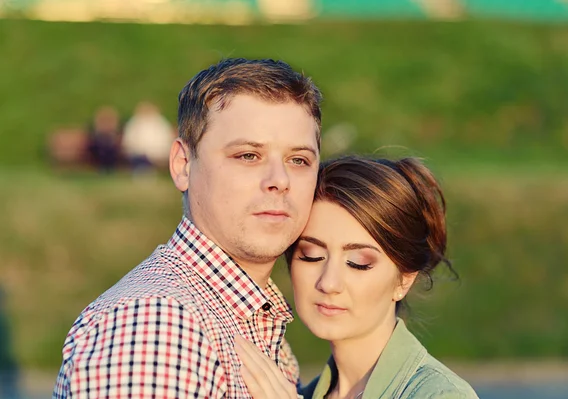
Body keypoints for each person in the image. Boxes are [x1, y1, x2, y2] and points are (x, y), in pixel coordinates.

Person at [53, 58, 323, 398]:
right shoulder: (156, 327)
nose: (279, 181)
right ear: (183, 165)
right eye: (247, 156)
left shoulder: (251, 318)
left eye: (298, 160)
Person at [236, 156, 480, 398]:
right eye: (311, 255)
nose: (329, 283)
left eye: (358, 263)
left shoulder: (439, 394)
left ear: (404, 280)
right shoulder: (300, 392)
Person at [121, 101, 175, 173]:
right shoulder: (134, 122)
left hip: (158, 153)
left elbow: (167, 139)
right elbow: (128, 141)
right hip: (138, 153)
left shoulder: (161, 122)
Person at [87, 105, 122, 172]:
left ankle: (109, 168)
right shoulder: (96, 129)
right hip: (98, 146)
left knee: (110, 149)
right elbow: (93, 137)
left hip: (111, 146)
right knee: (102, 149)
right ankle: (103, 167)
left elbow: (116, 135)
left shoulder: (115, 130)